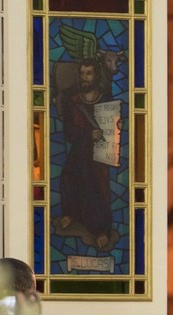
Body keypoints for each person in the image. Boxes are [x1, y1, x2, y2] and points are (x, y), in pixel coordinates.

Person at [56, 59, 114, 250]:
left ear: (96, 75)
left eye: (89, 73)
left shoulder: (105, 99)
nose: (84, 77)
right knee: (68, 176)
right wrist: (87, 135)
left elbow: (111, 126)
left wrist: (115, 127)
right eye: (82, 73)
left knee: (97, 186)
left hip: (99, 153)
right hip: (80, 149)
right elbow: (69, 132)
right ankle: (71, 213)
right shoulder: (72, 100)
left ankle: (100, 229)